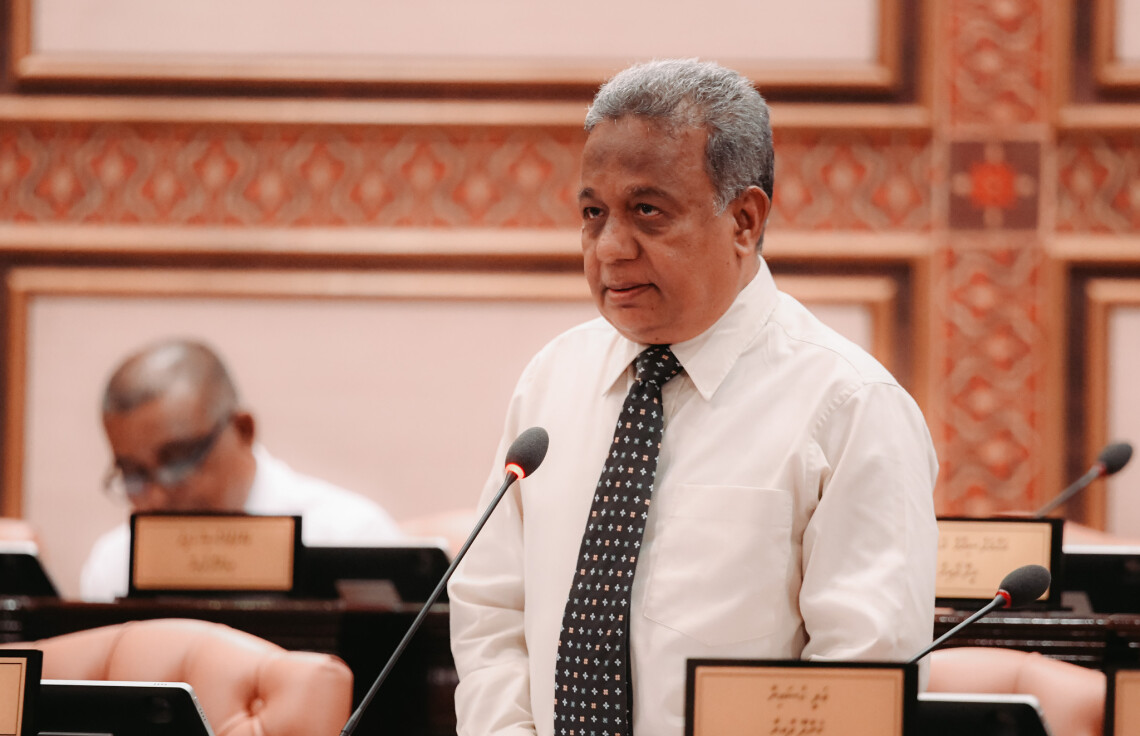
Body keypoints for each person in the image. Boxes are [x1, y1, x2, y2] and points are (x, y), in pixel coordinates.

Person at [448, 59, 939, 736]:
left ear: (744, 219)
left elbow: (862, 675)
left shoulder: (851, 406)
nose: (610, 248)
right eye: (593, 214)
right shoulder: (553, 379)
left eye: (647, 212)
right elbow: (492, 610)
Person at [80, 338, 403, 601]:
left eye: (178, 461)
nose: (157, 498)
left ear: (243, 429)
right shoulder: (115, 564)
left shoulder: (350, 537)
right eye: (133, 474)